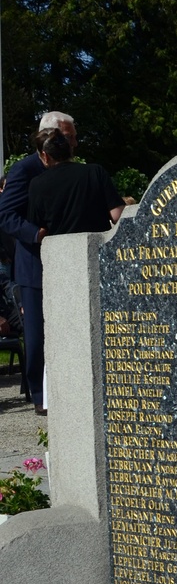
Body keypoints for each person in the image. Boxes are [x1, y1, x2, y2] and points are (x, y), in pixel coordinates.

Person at [0, 111, 77, 414]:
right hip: (35, 264)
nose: (75, 143)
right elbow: (6, 215)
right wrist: (36, 234)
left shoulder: (75, 169)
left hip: (69, 260)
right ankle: (40, 395)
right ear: (52, 137)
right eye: (70, 138)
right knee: (36, 335)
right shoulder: (25, 169)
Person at [26, 128, 124, 235]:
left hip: (59, 248)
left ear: (45, 156)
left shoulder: (37, 184)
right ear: (69, 149)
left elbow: (38, 226)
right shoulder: (95, 172)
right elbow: (117, 215)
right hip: (98, 245)